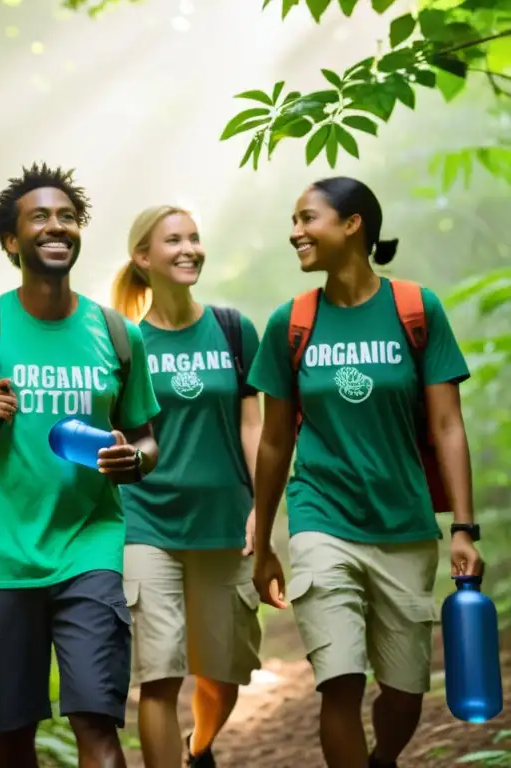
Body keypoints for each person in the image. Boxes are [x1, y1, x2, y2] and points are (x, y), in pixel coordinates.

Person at [0, 162, 161, 768]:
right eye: (39, 217)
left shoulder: (116, 334)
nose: (56, 226)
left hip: (89, 549)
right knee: (12, 735)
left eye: (67, 217)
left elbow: (148, 439)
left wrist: (133, 460)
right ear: (13, 242)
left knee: (98, 725)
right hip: (3, 557)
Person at [247, 176, 484, 768]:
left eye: (308, 219)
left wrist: (464, 527)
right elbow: (275, 442)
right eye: (294, 220)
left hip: (403, 522)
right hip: (321, 516)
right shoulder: (292, 322)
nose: (295, 232)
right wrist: (264, 538)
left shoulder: (415, 309)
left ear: (353, 225)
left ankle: (384, 762)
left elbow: (448, 426)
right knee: (340, 679)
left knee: (405, 691)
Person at [110, 205, 264, 768]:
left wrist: (262, 510)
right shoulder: (124, 341)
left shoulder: (233, 328)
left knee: (221, 675)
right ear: (143, 258)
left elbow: (254, 427)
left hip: (225, 523)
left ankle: (198, 748)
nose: (189, 249)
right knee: (159, 674)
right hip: (147, 522)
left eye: (194, 239)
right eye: (173, 240)